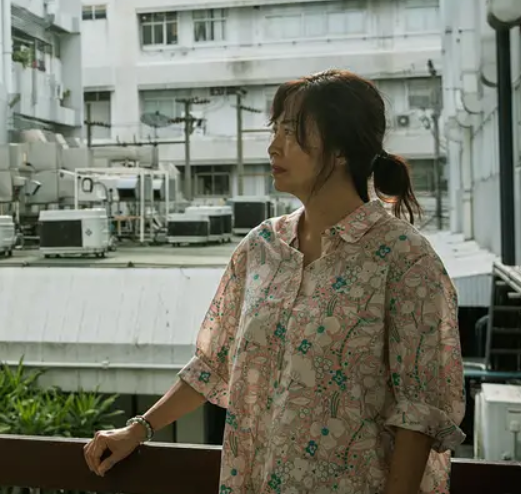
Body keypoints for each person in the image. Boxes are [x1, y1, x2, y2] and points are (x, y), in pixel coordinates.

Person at [84, 69, 466, 494]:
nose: (273, 146)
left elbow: (419, 413)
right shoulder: (262, 247)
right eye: (275, 129)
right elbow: (213, 363)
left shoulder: (405, 258)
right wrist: (138, 429)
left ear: (341, 149)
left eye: (292, 131)